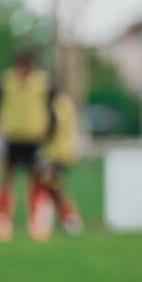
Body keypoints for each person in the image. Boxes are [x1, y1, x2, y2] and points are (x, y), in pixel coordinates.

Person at [0, 46, 55, 241]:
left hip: (34, 139)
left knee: (36, 180)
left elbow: (51, 108)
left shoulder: (43, 81)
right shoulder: (5, 81)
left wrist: (49, 128)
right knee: (6, 179)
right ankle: (2, 220)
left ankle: (36, 221)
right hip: (12, 137)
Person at [38, 88, 83, 234]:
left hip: (54, 152)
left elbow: (52, 126)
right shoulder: (66, 103)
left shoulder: (54, 105)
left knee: (53, 187)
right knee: (54, 187)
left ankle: (70, 219)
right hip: (66, 150)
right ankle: (65, 219)